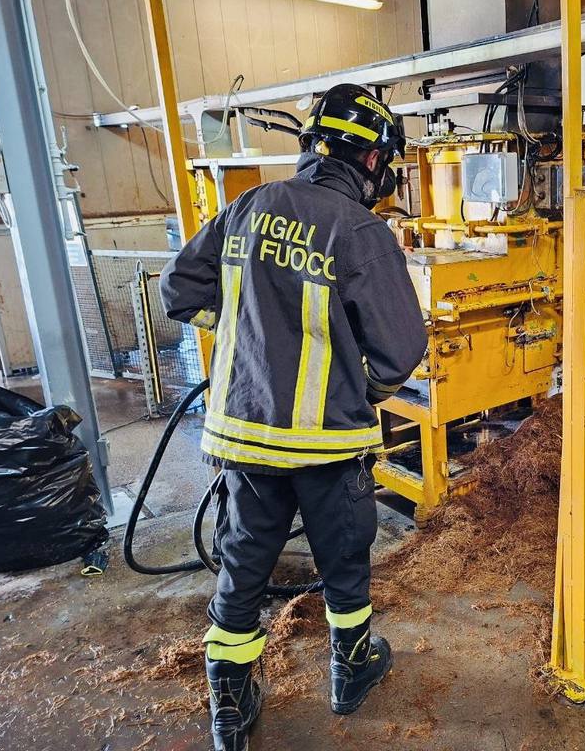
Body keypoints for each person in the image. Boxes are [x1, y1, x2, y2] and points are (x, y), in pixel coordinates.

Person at [160, 83, 428, 751]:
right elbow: (401, 349)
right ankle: (350, 671)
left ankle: (229, 701)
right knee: (344, 559)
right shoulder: (360, 230)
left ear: (313, 147)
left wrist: (249, 332)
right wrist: (355, 387)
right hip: (326, 444)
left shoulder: (248, 207)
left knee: (244, 562)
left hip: (243, 434)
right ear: (370, 160)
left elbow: (179, 292)